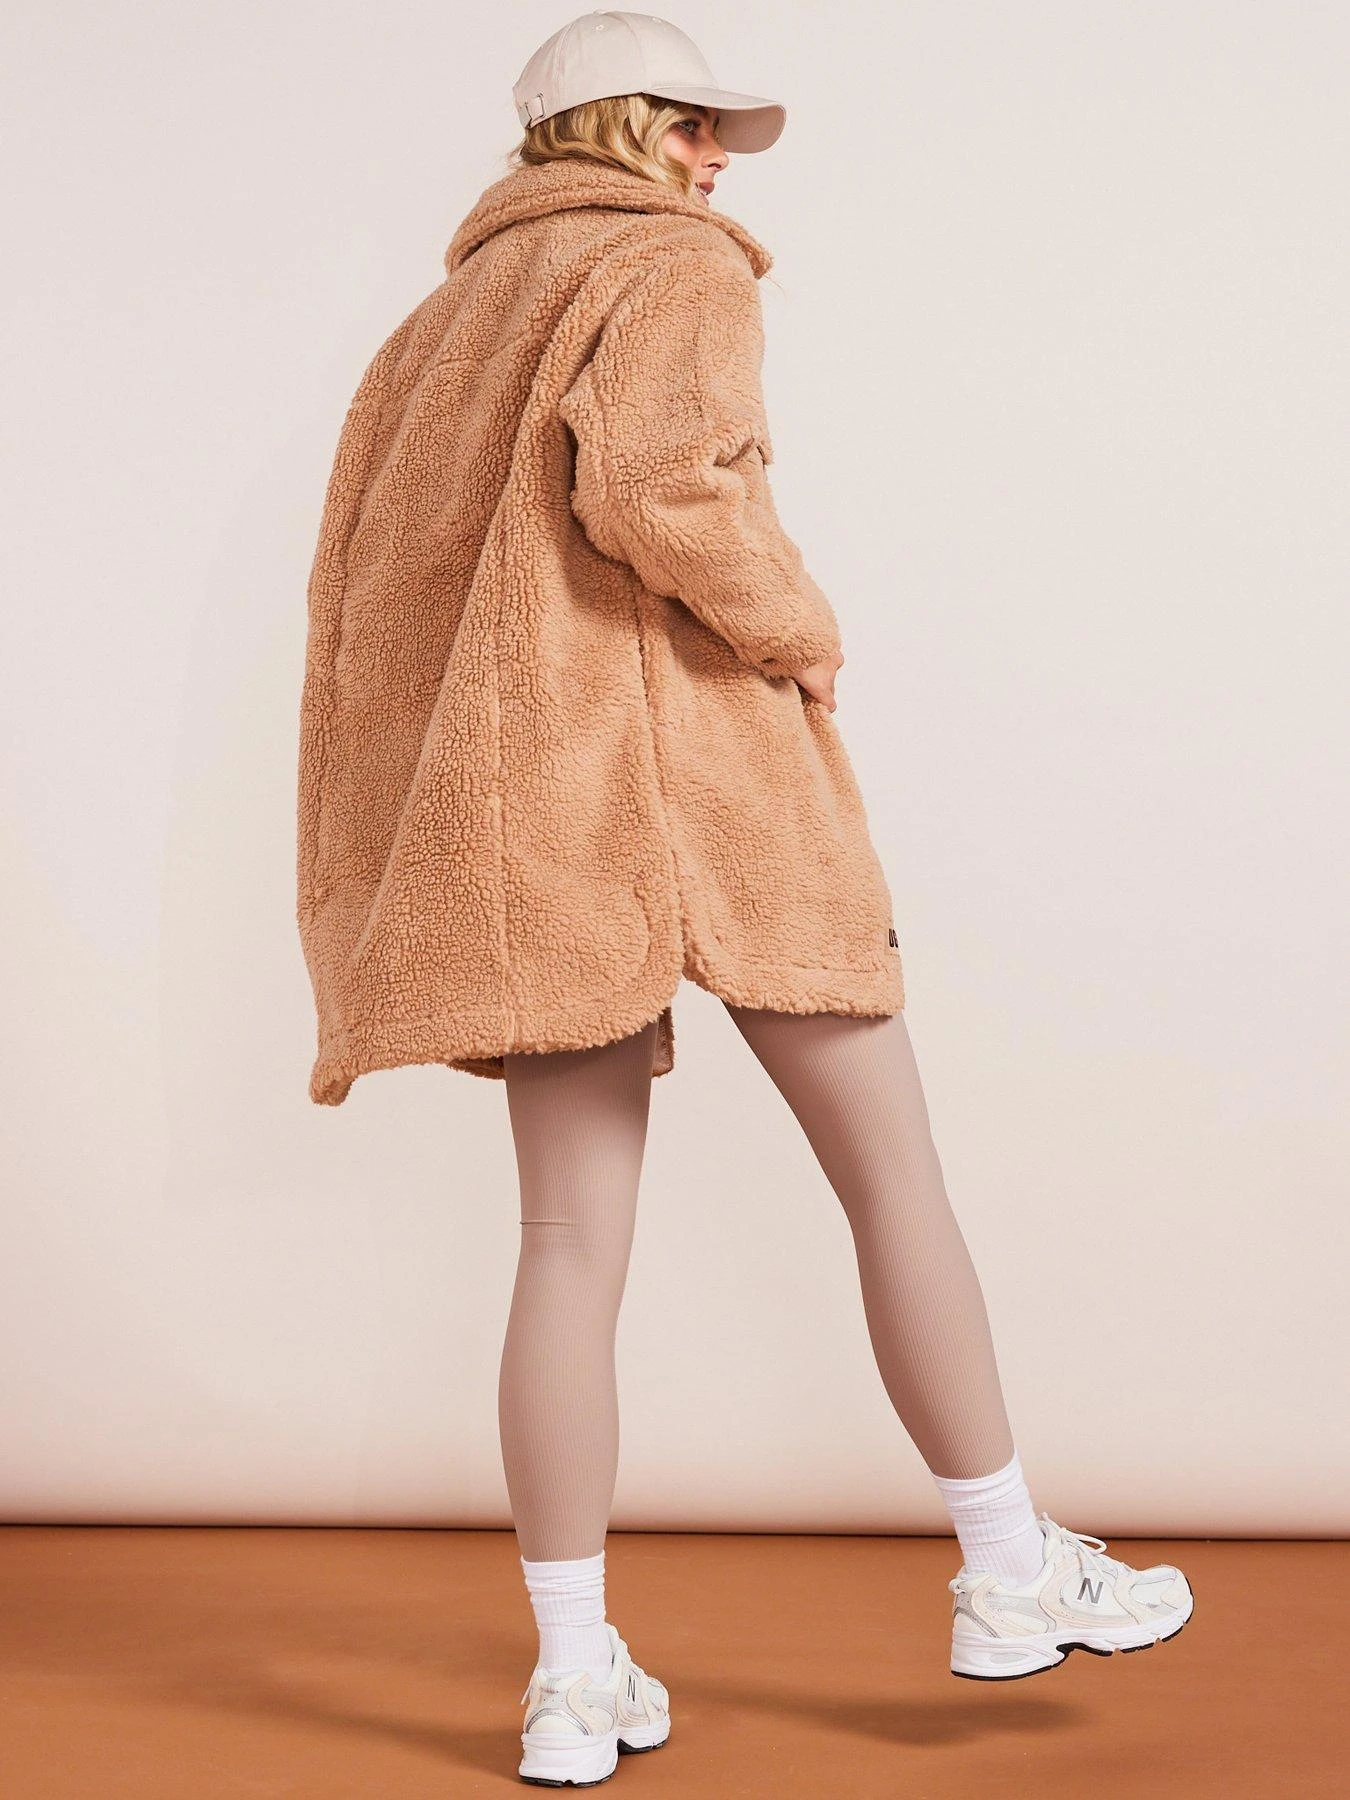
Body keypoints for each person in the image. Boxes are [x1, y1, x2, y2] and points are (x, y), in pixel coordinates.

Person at [295, 11, 1194, 1788]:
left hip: (530, 819)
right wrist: (798, 628)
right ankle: (1006, 1568)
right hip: (701, 788)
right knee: (892, 1175)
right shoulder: (670, 267)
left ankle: (572, 1677)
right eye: (691, 125)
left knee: (565, 1244)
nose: (715, 160)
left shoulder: (438, 326)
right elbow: (658, 486)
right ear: (618, 128)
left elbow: (370, 607)